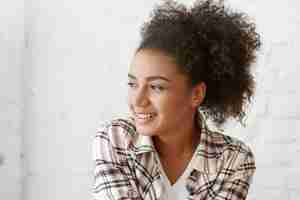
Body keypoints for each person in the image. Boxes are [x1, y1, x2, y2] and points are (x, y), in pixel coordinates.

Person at [92, 0, 261, 199]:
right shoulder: (116, 139)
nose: (137, 100)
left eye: (156, 87)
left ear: (196, 94)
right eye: (133, 84)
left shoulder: (233, 159)